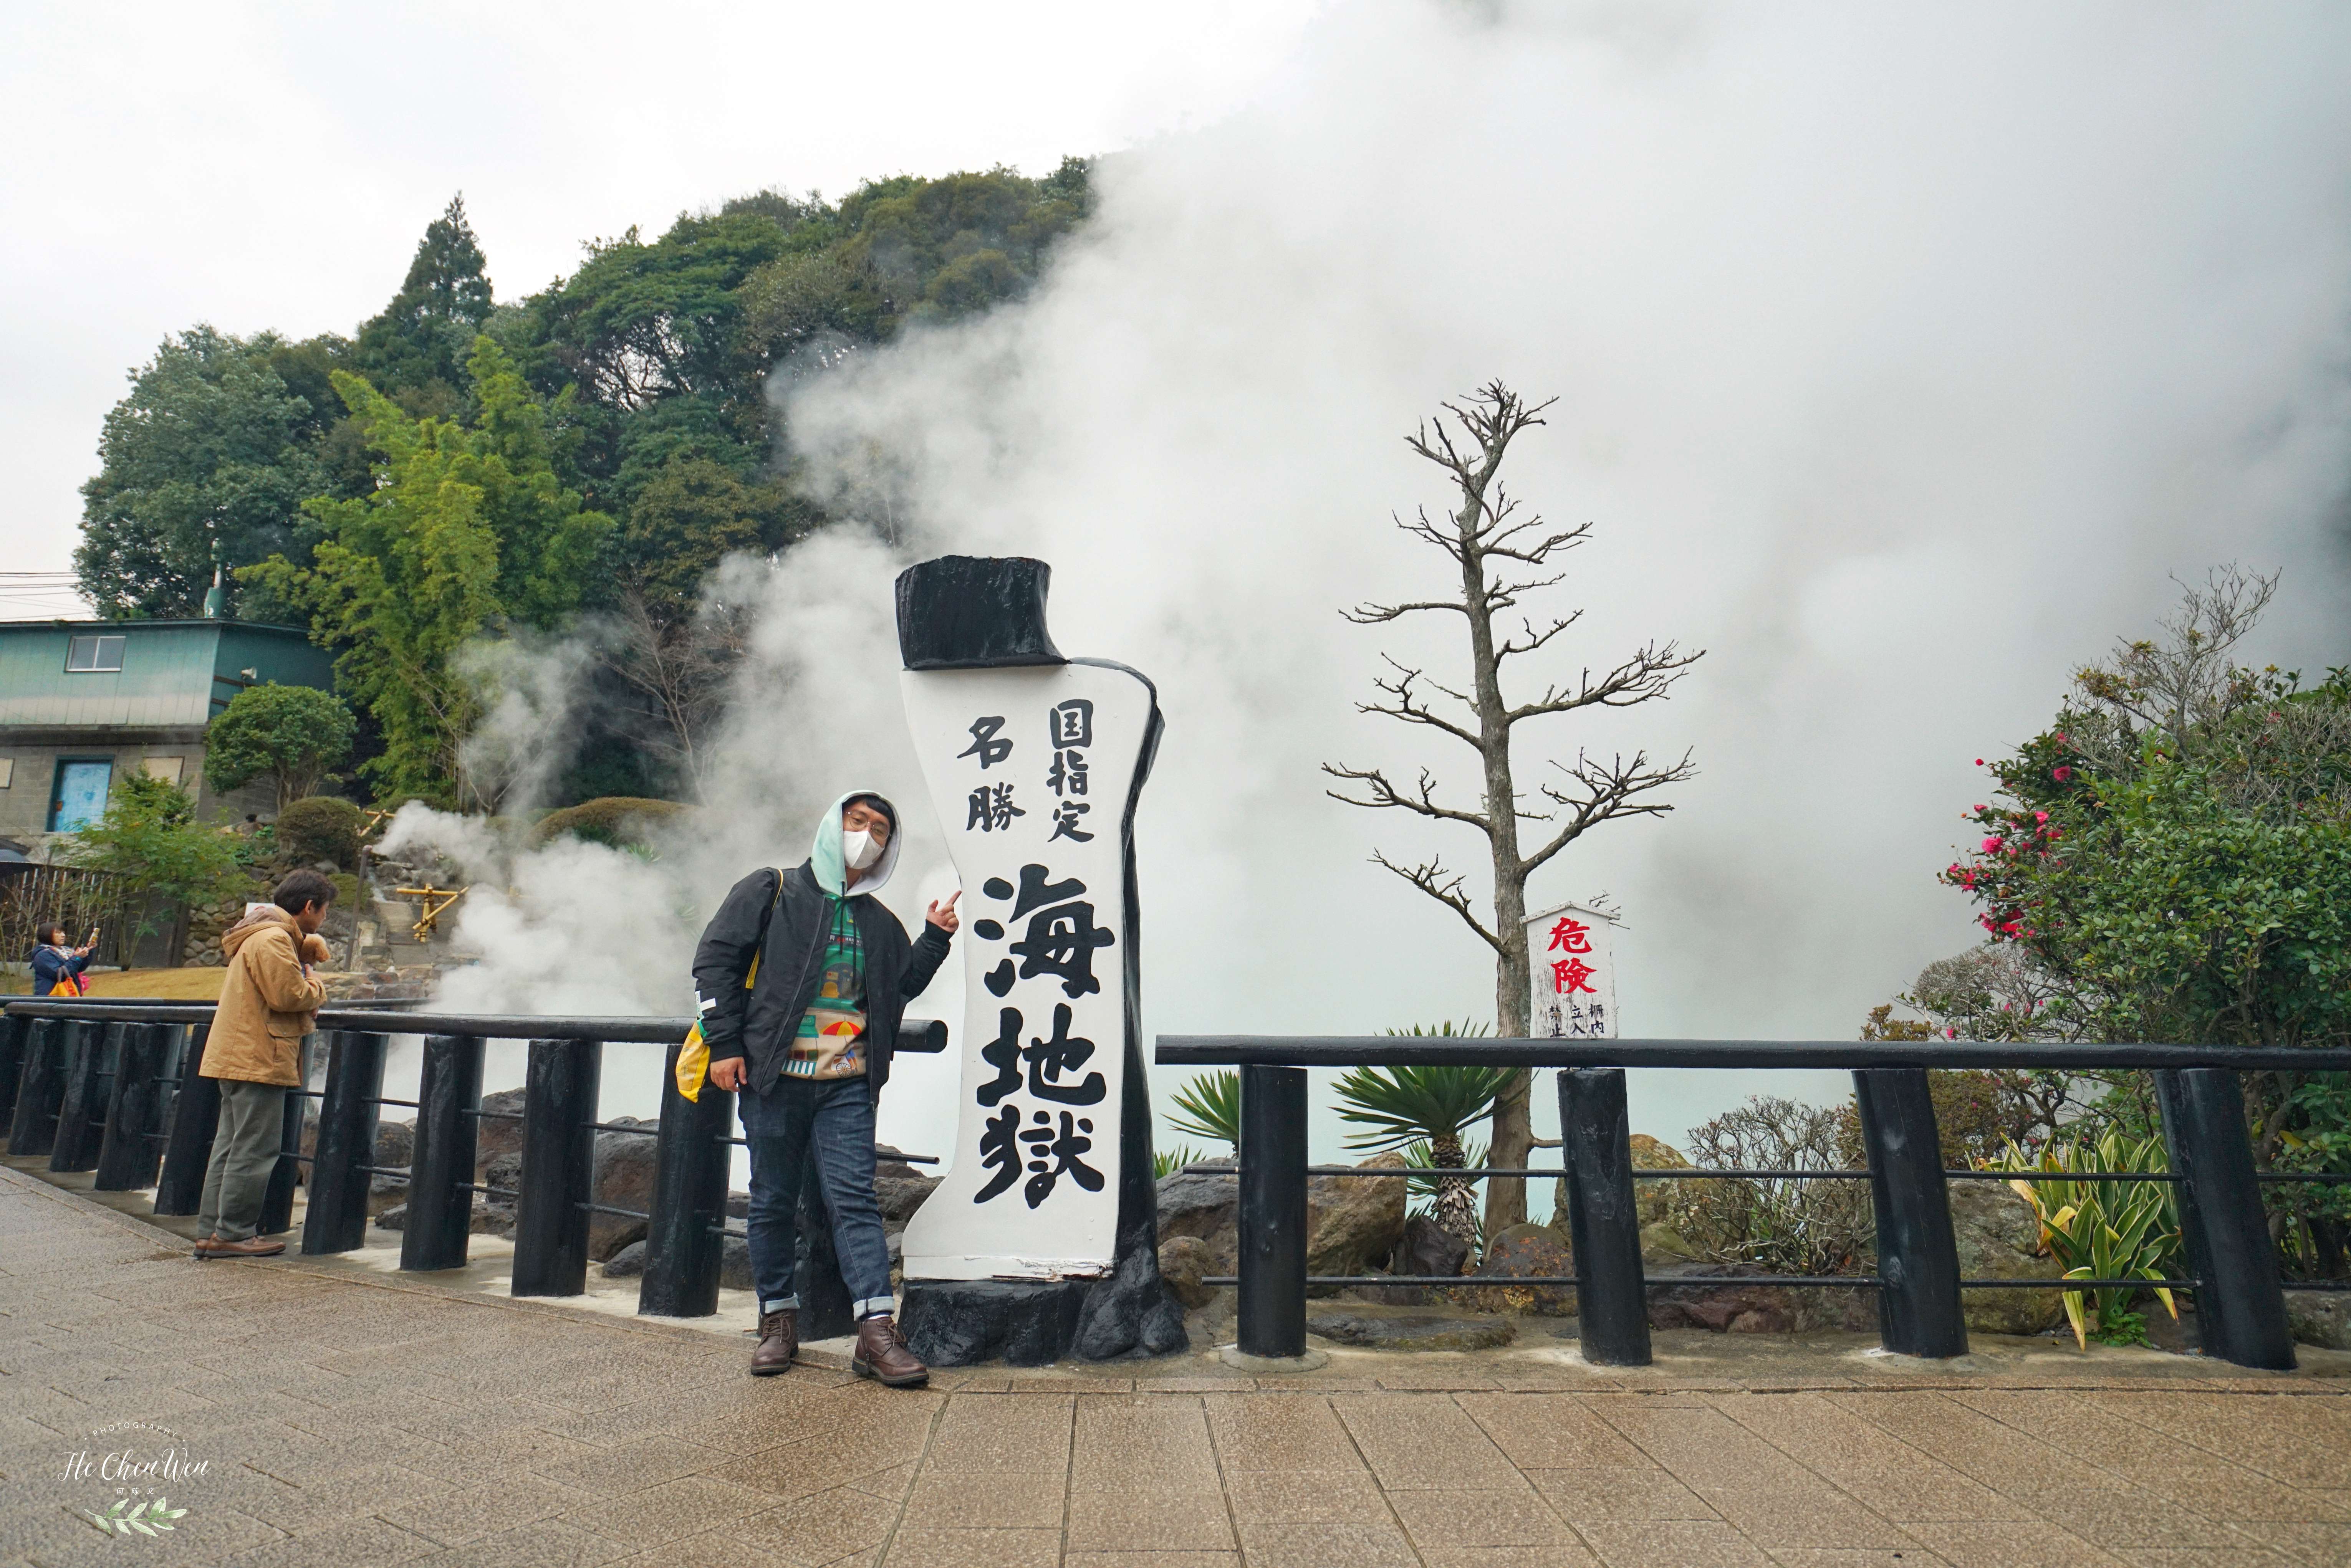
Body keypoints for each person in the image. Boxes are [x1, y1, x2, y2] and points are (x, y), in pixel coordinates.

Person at [694, 792, 959, 1387]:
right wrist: (726, 1046)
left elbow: (898, 990)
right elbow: (715, 963)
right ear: (831, 826)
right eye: (857, 821)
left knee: (855, 1202)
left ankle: (875, 1333)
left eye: (881, 830)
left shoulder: (878, 921)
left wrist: (935, 938)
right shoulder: (772, 889)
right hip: (772, 1077)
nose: (867, 835)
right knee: (770, 1202)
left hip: (845, 1084)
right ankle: (777, 1321)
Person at [192, 870, 335, 1259]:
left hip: (238, 1053)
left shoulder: (259, 934)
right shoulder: (274, 939)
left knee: (230, 1145)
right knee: (254, 1149)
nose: (323, 919)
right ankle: (234, 1232)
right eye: (323, 911)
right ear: (309, 907)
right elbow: (289, 995)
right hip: (258, 1054)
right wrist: (319, 985)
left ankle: (213, 1232)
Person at [30, 923, 95, 996]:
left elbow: (79, 969)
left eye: (63, 932)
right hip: (51, 998)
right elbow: (61, 975)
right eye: (58, 933)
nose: (63, 935)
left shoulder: (67, 951)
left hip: (68, 995)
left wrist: (88, 950)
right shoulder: (43, 955)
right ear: (47, 935)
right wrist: (77, 958)